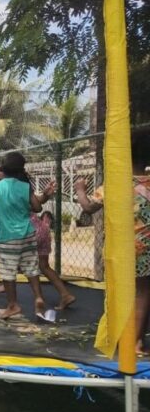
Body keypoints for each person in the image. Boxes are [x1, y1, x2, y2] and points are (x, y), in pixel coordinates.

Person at [74, 129, 150, 354]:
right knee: (145, 292)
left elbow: (88, 207)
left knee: (121, 292)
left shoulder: (116, 184)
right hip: (146, 246)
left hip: (121, 247)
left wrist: (79, 190)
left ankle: (128, 339)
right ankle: (136, 340)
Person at [0, 152, 49, 319]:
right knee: (32, 268)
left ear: (2, 168)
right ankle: (38, 297)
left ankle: (13, 305)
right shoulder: (25, 186)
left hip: (7, 237)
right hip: (28, 234)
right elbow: (38, 208)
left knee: (7, 272)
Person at [30, 211, 76, 310]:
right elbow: (38, 206)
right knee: (44, 266)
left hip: (29, 230)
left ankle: (38, 298)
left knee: (20, 260)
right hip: (43, 229)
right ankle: (65, 295)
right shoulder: (28, 195)